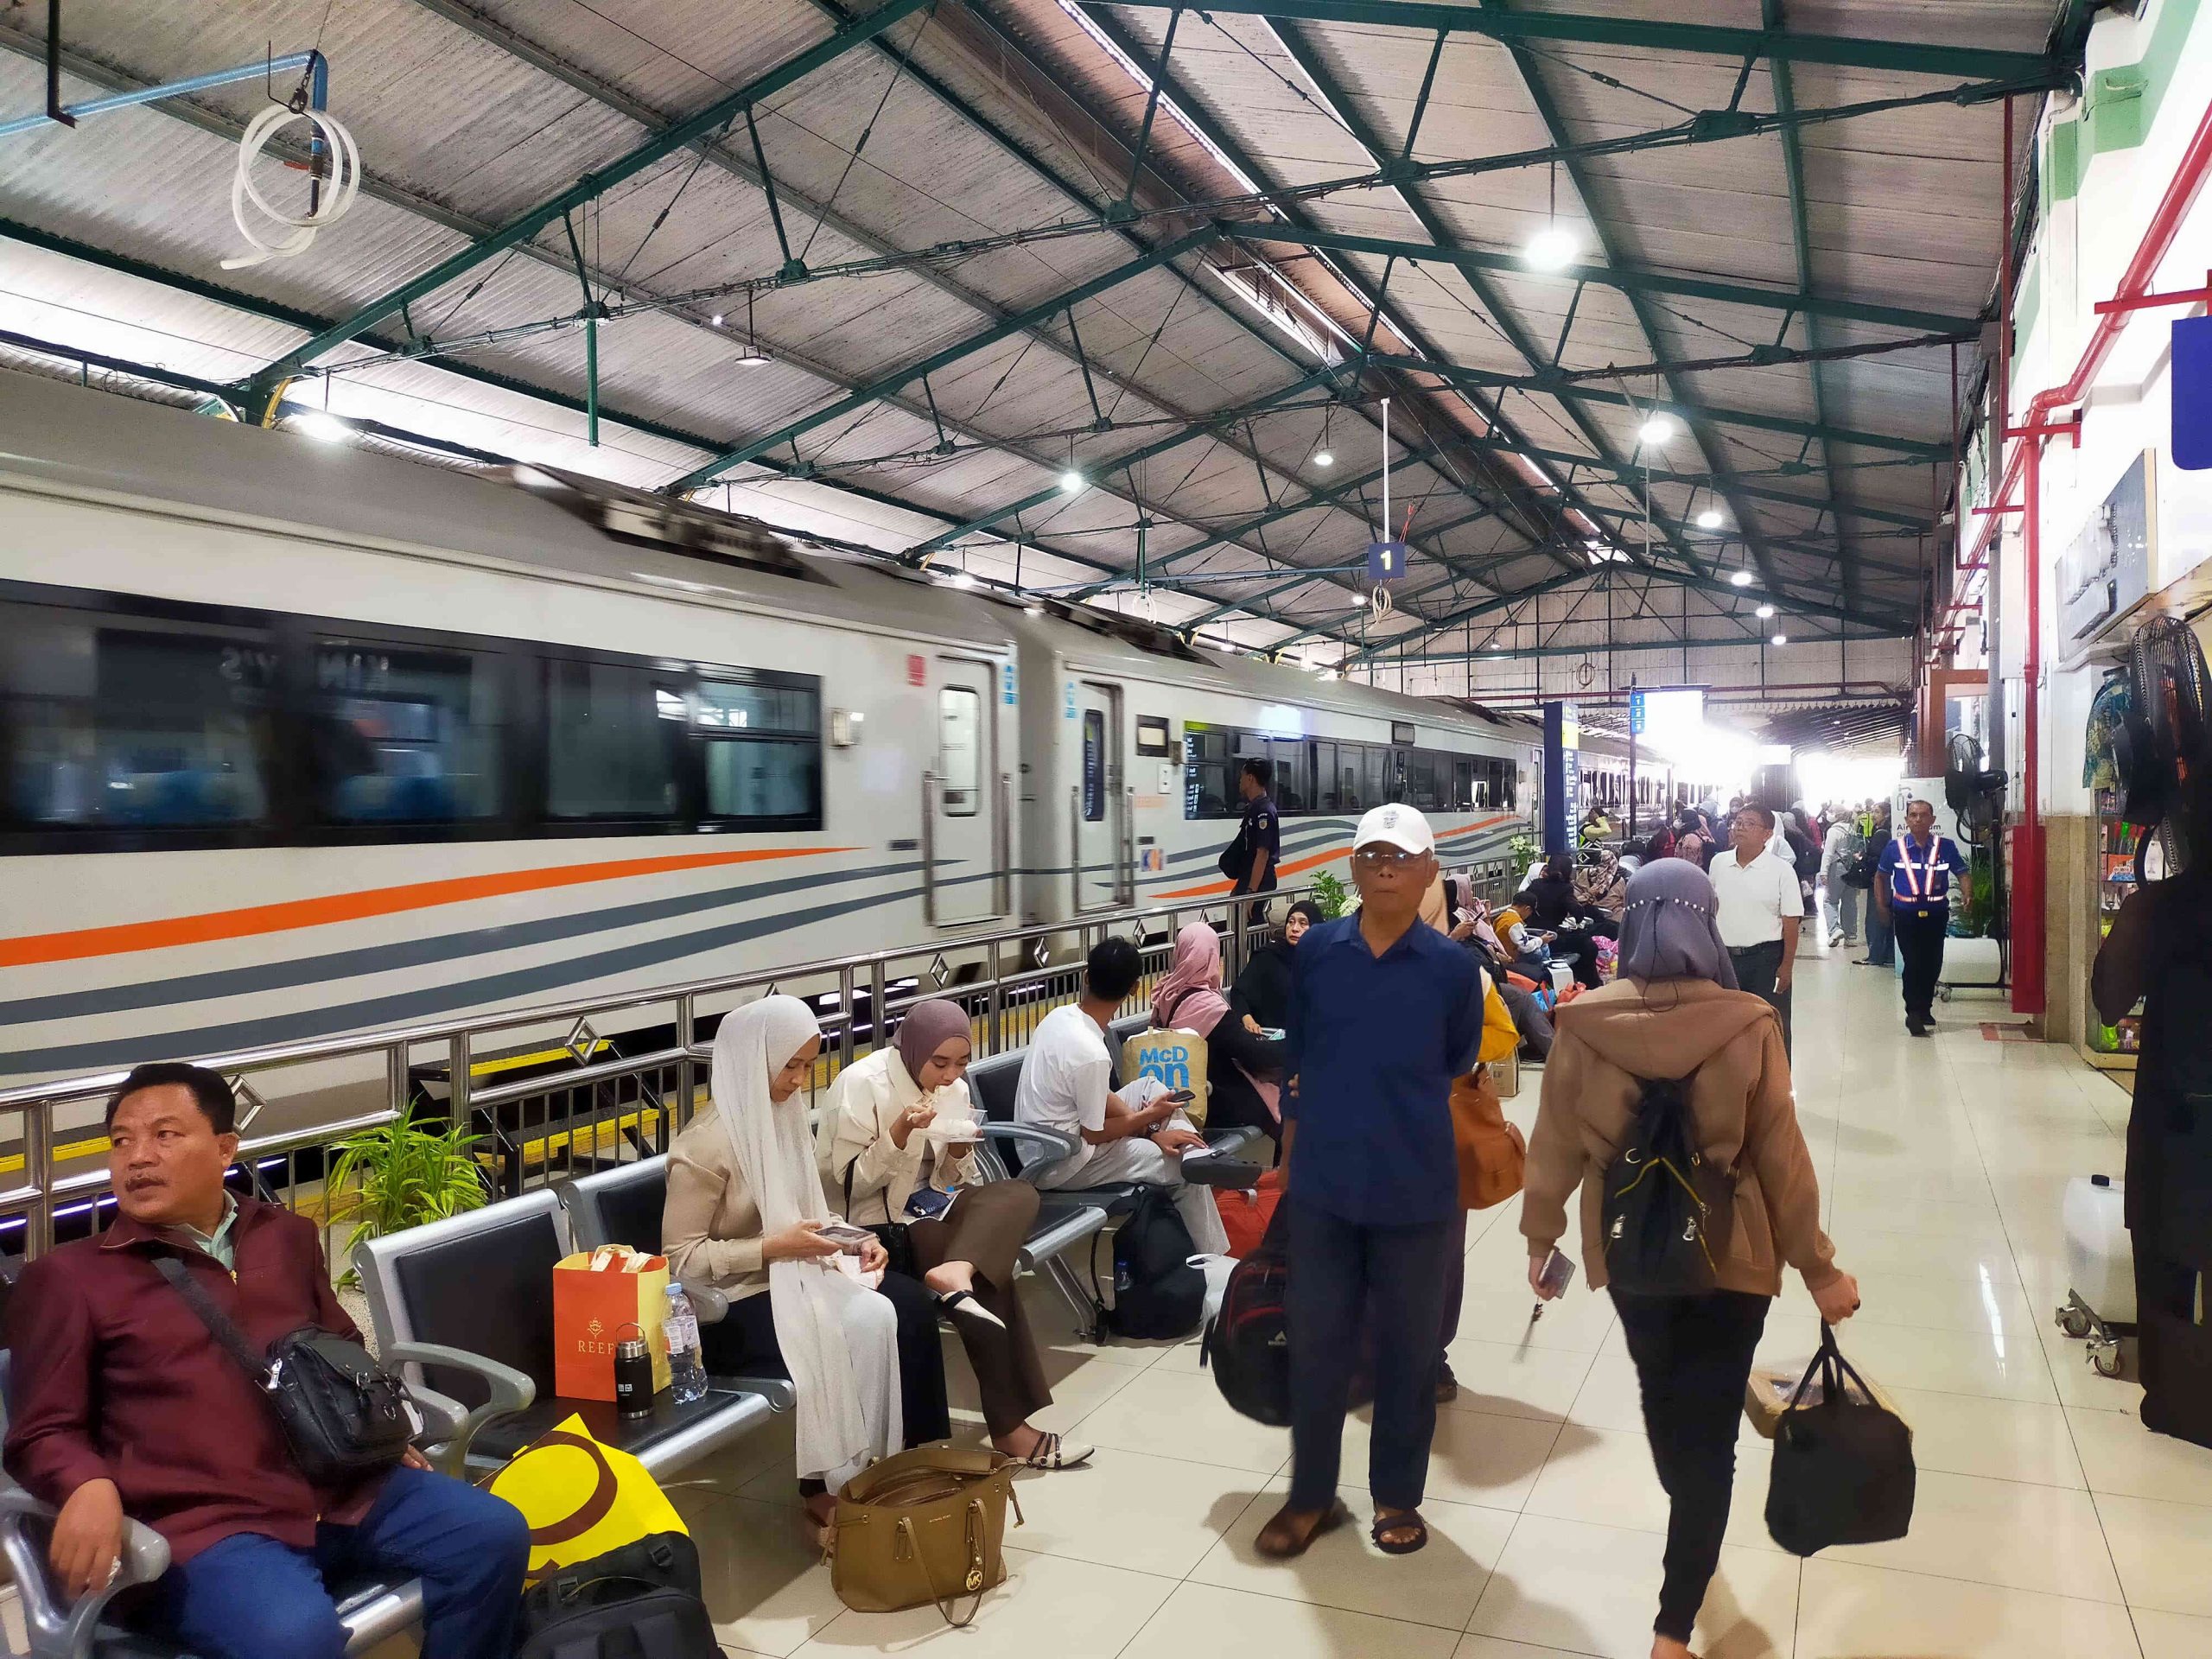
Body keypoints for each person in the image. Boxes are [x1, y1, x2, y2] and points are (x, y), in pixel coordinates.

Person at [3, 1062, 529, 1659]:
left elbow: (339, 1344)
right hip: (206, 1526)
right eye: (121, 1141)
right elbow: (42, 1429)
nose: (138, 1157)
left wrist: (374, 1431)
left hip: (337, 1489)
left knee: (493, 1535)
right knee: (293, 1638)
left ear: (225, 1148)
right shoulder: (71, 1279)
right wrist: (87, 1483)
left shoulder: (285, 1236)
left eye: (164, 1135)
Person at [1522, 861, 1860, 1659]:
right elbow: (1781, 1156)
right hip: (1732, 1257)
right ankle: (1675, 1624)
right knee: (1709, 1432)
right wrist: (1818, 1269)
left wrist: (1542, 1236)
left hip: (1630, 1253)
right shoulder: (1749, 1023)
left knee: (1661, 1392)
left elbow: (1556, 1140)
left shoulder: (1583, 1023)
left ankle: (1688, 1521)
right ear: (1706, 924)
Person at [1255, 804, 1485, 1561]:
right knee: (1318, 1344)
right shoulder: (1319, 952)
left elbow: (1457, 1060)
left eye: (1402, 857)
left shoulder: (1453, 968)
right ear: (1353, 867)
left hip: (1416, 1186)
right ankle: (1311, 1496)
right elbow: (1299, 1059)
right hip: (1325, 1184)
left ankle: (1396, 1495)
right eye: (1373, 855)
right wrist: (1289, 1157)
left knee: (1409, 1349)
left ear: (1429, 872)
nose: (1387, 868)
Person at [664, 997, 946, 1536]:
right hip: (732, 1304)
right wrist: (772, 1248)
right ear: (752, 1061)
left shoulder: (783, 1117)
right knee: (847, 1326)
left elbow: (809, 1212)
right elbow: (680, 1260)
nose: (799, 1081)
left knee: (908, 1304)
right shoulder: (706, 1144)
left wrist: (855, 1240)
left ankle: (906, 1459)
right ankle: (828, 1483)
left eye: (808, 1066)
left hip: (796, 1274)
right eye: (788, 1066)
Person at [817, 999, 1090, 1471]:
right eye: (939, 1062)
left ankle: (956, 1270)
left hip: (934, 1207)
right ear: (913, 1048)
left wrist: (960, 1152)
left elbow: (949, 1181)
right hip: (879, 1227)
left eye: (961, 1063)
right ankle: (1011, 1429)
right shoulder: (862, 1085)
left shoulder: (956, 1091)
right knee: (990, 1276)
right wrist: (899, 1134)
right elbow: (844, 1187)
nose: (950, 1074)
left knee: (1018, 1193)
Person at [2093, 790, 2212, 1447]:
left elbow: (2109, 1000)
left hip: (2179, 1117)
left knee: (2166, 1259)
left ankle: (2175, 1398)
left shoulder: (2163, 907)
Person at [1014, 938, 1234, 1253]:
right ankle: (1214, 1259)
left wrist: (1150, 1128)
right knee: (1185, 1172)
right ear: (1134, 989)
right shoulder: (1091, 1053)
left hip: (1044, 1145)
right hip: (1064, 1161)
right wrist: (1148, 1119)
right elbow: (1094, 1133)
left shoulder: (1059, 1017)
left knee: (1149, 1086)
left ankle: (1191, 1149)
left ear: (1086, 976)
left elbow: (1095, 1095)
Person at [1152, 922, 1288, 1152]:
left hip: (1190, 1094)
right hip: (1218, 1100)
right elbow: (1255, 1055)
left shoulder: (1167, 993)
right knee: (1292, 1104)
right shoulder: (1205, 1005)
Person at [1709, 804, 1803, 1052]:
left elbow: (1790, 921)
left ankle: (1777, 1075)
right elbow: (1712, 909)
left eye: (1750, 823)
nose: (1740, 827)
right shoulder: (1719, 863)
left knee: (1771, 1024)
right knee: (1727, 1027)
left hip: (1766, 960)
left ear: (1767, 834)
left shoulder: (1781, 870)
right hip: (1726, 959)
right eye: (1738, 822)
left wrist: (1786, 967)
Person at [1875, 798, 1971, 1037]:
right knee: (1913, 962)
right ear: (1906, 820)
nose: (1918, 819)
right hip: (1905, 915)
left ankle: (1925, 1007)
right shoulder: (1894, 848)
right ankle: (1914, 1013)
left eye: (1923, 815)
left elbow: (1962, 872)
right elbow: (1880, 877)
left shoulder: (1945, 847)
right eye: (1913, 815)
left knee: (1933, 962)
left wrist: (1968, 894)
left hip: (1936, 915)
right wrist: (1881, 905)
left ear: (1932, 820)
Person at [1233, 899, 1323, 1038]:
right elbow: (1239, 993)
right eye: (1291, 922)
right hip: (1270, 1036)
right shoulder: (1268, 956)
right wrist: (1248, 1020)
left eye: (1303, 923)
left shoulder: (1325, 959)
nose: (1294, 928)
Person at [1220, 758, 1281, 896]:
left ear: (1250, 778)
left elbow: (1262, 854)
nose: (1240, 781)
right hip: (1248, 876)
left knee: (1249, 911)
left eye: (1242, 776)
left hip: (1260, 882)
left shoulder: (1264, 811)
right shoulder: (1254, 808)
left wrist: (1251, 893)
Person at [1853, 800, 1896, 969]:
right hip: (1888, 881)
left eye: (1877, 812)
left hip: (1878, 881)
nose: (1873, 815)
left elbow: (1877, 860)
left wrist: (1862, 858)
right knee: (1886, 919)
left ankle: (1875, 955)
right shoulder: (1889, 831)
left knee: (1875, 918)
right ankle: (1888, 955)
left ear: (1886, 814)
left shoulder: (1881, 834)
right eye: (1873, 811)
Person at [1820, 811, 1862, 950]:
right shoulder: (1852, 830)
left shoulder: (1834, 831)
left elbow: (1828, 853)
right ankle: (1851, 936)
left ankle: (1835, 930)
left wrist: (1823, 872)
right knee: (1850, 903)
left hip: (1837, 867)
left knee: (1829, 901)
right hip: (1852, 868)